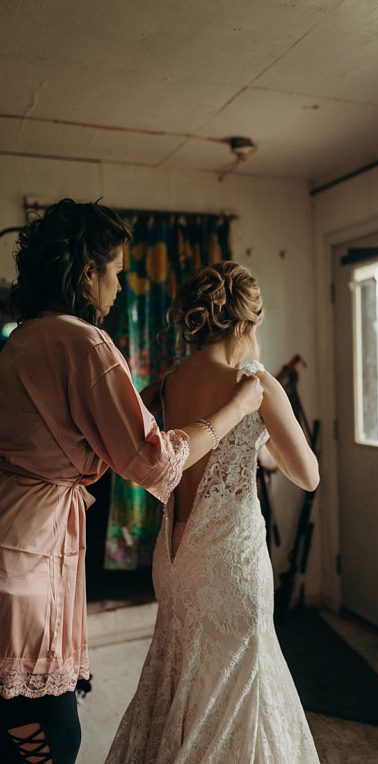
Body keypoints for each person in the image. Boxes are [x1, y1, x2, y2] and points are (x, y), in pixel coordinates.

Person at [0, 200, 263, 764]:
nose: (120, 285)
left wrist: (145, 404)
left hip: (13, 525)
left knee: (26, 723)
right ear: (88, 271)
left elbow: (79, 430)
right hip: (28, 552)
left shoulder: (27, 337)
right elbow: (156, 465)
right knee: (49, 736)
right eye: (116, 270)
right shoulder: (86, 343)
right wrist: (238, 406)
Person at [106, 261, 320, 763]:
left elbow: (205, 451)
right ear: (247, 323)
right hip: (230, 563)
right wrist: (268, 408)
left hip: (176, 558)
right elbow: (307, 474)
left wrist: (260, 441)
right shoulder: (255, 385)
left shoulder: (172, 381)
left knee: (182, 674)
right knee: (239, 689)